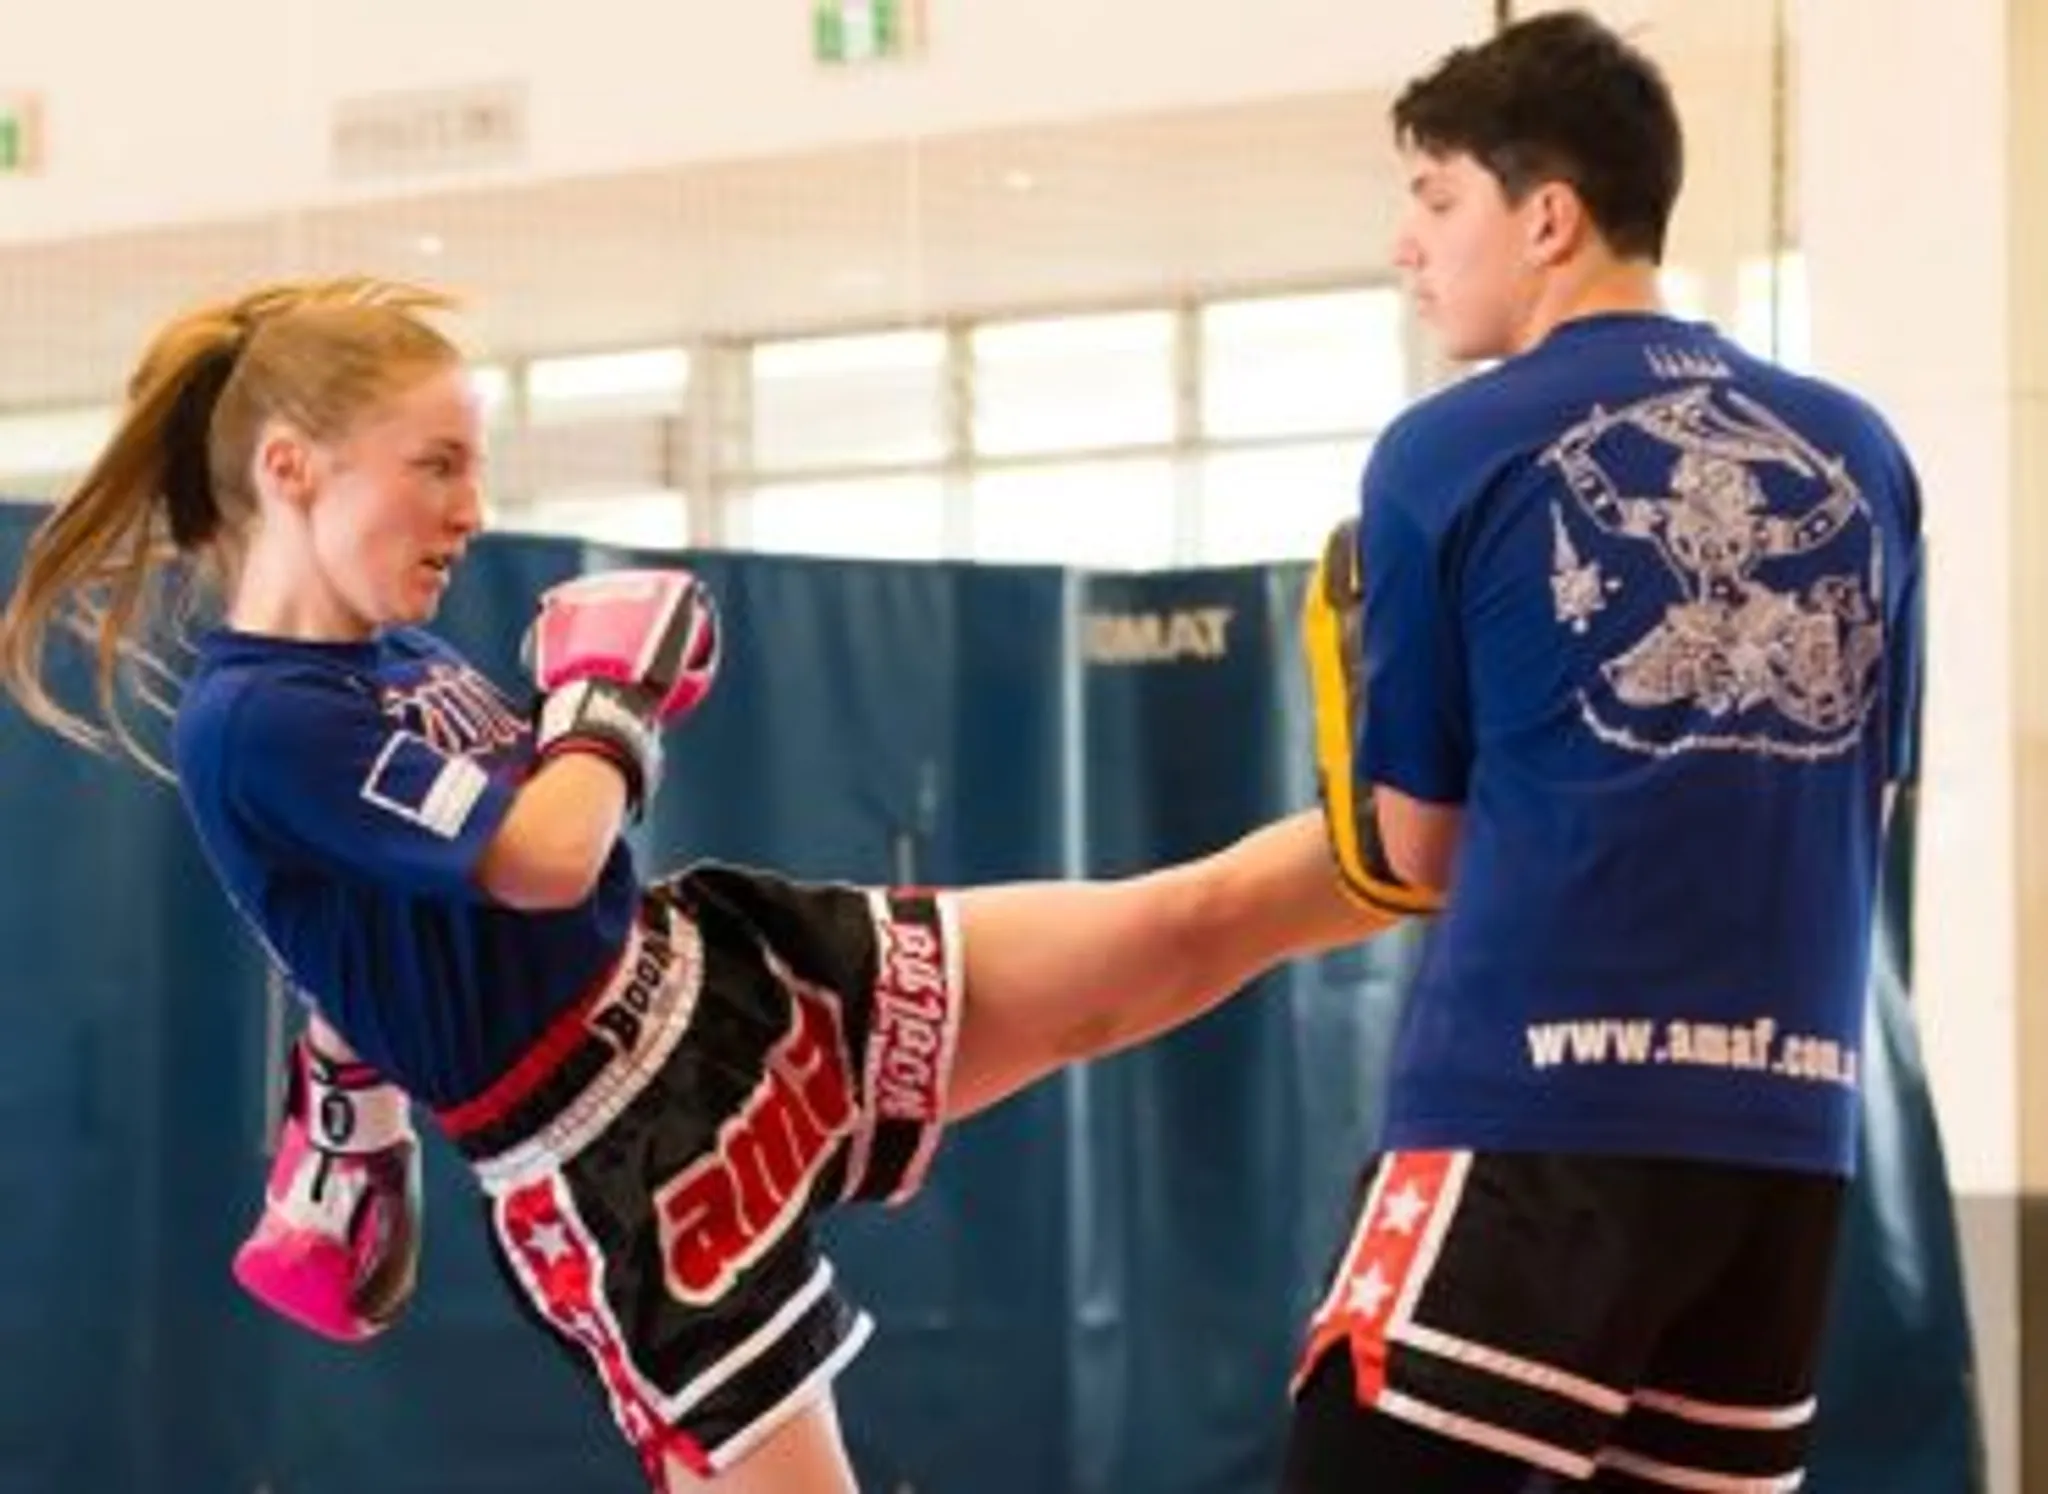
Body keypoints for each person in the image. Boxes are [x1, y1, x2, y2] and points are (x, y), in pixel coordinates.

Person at [0, 276, 1402, 1493]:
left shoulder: (393, 659)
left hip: (712, 976)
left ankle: (1440, 812)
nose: (472, 510)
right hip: (614, 1147)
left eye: (472, 468)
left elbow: (376, 912)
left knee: (1165, 929)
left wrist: (349, 1101)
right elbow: (548, 856)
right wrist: (609, 701)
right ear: (295, 467)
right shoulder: (255, 716)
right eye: (435, 465)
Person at [1282, 12, 1923, 1492]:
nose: (1408, 244)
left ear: (1548, 214)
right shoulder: (1865, 454)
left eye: (1436, 197)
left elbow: (1417, 850)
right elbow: (1864, 786)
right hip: (1787, 1142)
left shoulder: (1446, 448)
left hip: (1531, 1124)